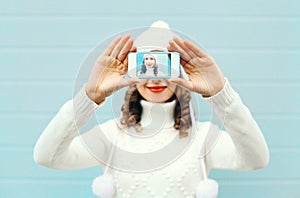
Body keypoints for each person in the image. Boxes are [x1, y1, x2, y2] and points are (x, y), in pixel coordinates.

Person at [33, 21, 269, 198]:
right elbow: (46, 156)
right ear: (134, 73)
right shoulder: (111, 135)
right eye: (146, 65)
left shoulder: (203, 137)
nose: (155, 78)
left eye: (165, 66)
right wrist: (88, 97)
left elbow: (256, 160)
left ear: (179, 73)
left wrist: (222, 96)